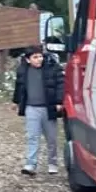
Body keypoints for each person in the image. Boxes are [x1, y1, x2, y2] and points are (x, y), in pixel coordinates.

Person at [13, 40, 65, 175]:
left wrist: (59, 101)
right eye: (35, 57)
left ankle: (53, 163)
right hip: (31, 107)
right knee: (32, 137)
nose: (39, 59)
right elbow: (19, 86)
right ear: (28, 59)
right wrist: (16, 101)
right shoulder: (23, 70)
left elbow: (60, 85)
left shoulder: (53, 68)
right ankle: (31, 164)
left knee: (51, 138)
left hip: (48, 107)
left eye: (40, 56)